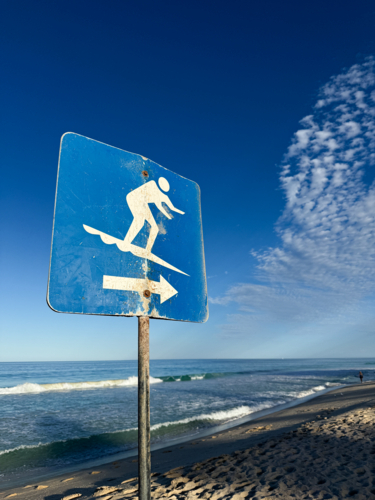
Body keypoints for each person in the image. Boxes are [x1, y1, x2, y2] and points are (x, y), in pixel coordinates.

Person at [124, 177, 185, 253]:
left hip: (142, 203)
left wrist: (182, 213)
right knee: (139, 221)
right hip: (133, 198)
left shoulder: (164, 197)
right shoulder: (152, 184)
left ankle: (147, 250)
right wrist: (167, 215)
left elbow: (172, 208)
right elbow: (159, 206)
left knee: (154, 228)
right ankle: (126, 242)